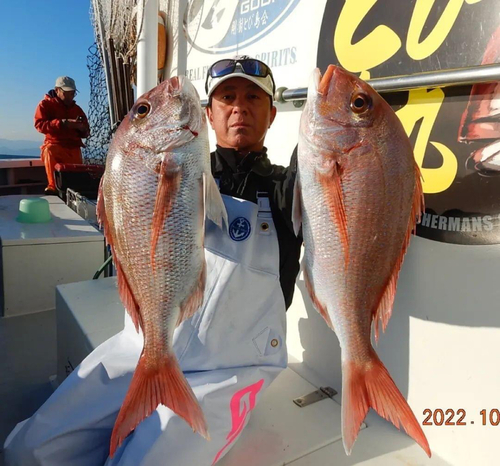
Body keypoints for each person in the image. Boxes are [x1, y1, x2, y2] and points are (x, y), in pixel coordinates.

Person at [4, 57, 302, 465]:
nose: (239, 107)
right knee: (28, 451)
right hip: (147, 344)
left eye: (254, 98)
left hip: (231, 367)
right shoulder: (184, 164)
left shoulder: (289, 190)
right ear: (208, 114)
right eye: (227, 97)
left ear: (271, 114)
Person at [34, 76, 90, 194]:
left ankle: (74, 190)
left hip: (73, 147)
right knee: (49, 150)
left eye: (73, 93)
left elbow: (86, 131)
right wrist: (63, 123)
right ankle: (52, 187)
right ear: (57, 90)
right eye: (67, 93)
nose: (70, 96)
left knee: (76, 178)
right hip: (54, 144)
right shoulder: (45, 105)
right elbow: (39, 125)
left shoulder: (77, 109)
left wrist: (81, 128)